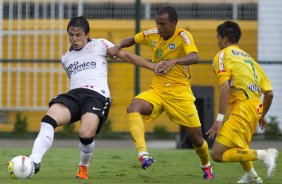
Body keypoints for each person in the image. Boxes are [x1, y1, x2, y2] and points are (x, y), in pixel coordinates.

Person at [25, 16, 157, 179]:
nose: (74, 39)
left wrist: (152, 66)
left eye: (78, 34)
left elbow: (127, 56)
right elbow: (76, 79)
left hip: (96, 96)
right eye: (71, 35)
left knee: (86, 134)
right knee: (48, 119)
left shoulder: (100, 44)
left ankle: (83, 168)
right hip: (74, 94)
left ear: (87, 34)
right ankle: (34, 161)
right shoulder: (66, 58)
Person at [108, 6, 215, 179]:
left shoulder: (183, 36)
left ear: (174, 23)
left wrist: (174, 61)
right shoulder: (152, 34)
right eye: (157, 23)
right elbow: (132, 39)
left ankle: (206, 166)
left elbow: (195, 57)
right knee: (133, 107)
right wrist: (118, 45)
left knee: (197, 139)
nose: (159, 27)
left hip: (180, 93)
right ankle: (143, 154)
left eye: (163, 24)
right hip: (157, 90)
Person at [206, 21, 278, 183]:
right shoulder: (251, 60)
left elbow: (224, 88)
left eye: (218, 38)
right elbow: (270, 94)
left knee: (217, 154)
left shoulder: (222, 55)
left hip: (243, 108)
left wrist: (218, 120)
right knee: (240, 146)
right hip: (254, 108)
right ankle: (252, 176)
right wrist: (261, 115)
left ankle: (265, 154)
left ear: (224, 39)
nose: (217, 42)